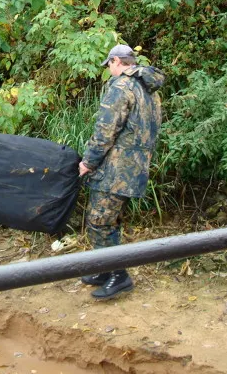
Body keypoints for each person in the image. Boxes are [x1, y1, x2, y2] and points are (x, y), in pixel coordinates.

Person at [78, 44, 165, 300]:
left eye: (110, 66)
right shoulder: (148, 87)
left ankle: (119, 276)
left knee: (99, 220)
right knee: (109, 219)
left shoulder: (121, 87)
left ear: (117, 61)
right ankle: (105, 269)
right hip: (137, 165)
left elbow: (105, 131)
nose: (110, 71)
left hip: (116, 168)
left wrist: (88, 162)